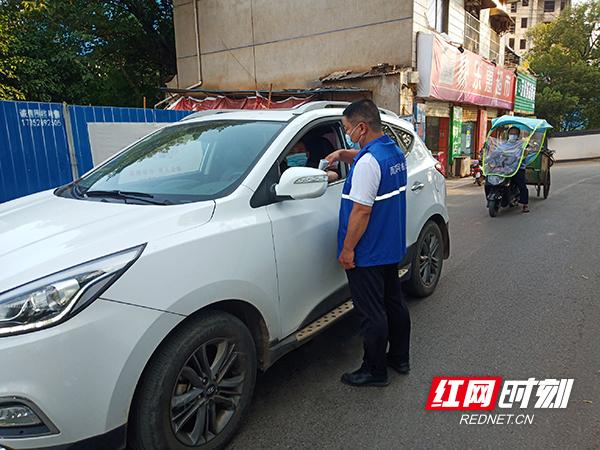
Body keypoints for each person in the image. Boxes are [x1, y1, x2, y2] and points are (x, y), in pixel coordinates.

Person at [325, 99, 411, 387]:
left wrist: (348, 250)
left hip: (368, 251)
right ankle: (399, 358)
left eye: (349, 129)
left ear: (362, 127)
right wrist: (343, 153)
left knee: (372, 314)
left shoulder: (368, 164)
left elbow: (361, 211)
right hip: (389, 245)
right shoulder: (393, 151)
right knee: (394, 303)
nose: (348, 133)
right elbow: (367, 157)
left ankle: (374, 371)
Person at [484, 126, 529, 212]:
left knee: (521, 184)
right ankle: (489, 199)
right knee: (488, 182)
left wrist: (522, 155)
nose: (513, 135)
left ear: (518, 135)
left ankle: (525, 204)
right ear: (508, 134)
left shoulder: (521, 144)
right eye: (511, 133)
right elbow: (495, 153)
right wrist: (488, 159)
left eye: (515, 134)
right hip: (503, 167)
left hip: (517, 168)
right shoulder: (504, 144)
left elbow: (524, 155)